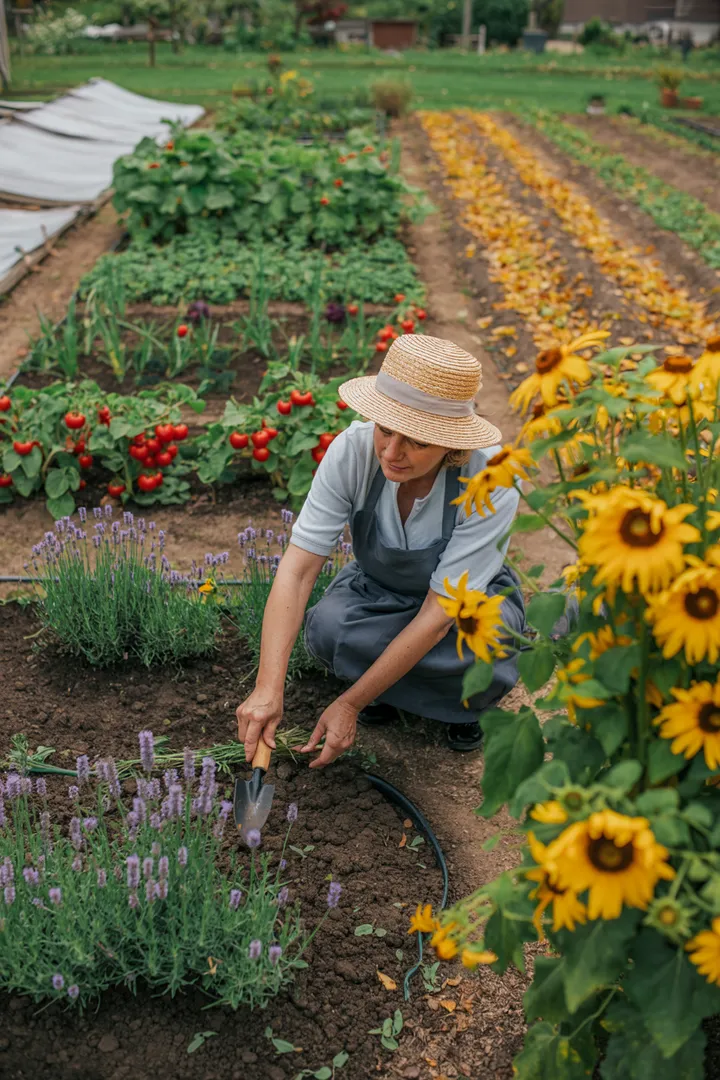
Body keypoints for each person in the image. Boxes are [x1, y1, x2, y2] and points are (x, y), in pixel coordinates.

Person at [236, 335, 525, 768]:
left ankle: (463, 707)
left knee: (483, 648)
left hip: (463, 609)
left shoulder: (490, 478)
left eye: (417, 442)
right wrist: (266, 689)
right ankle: (387, 690)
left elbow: (437, 614)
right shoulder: (352, 450)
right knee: (329, 629)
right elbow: (297, 571)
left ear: (452, 443)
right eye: (385, 429)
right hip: (378, 590)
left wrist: (349, 704)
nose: (392, 453)